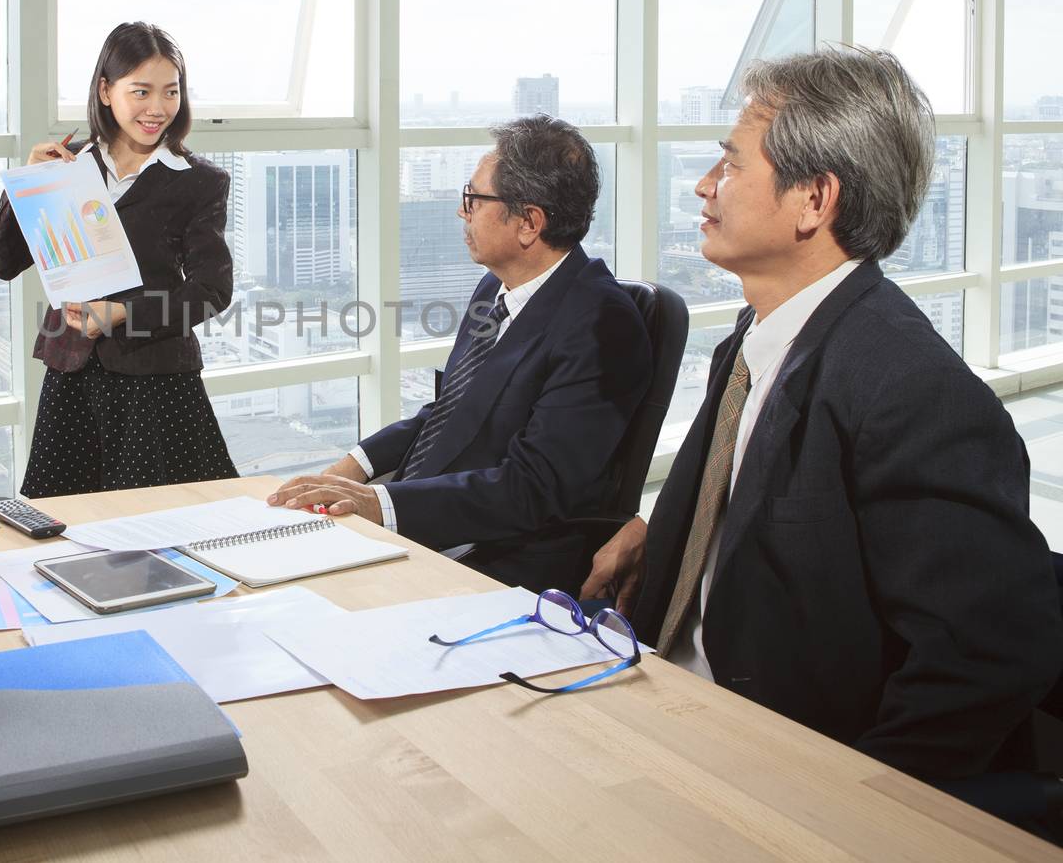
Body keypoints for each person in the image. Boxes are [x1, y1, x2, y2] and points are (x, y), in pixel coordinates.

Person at [581, 47, 1063, 782]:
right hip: (661, 711)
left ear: (815, 200)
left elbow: (991, 654)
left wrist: (853, 813)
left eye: (732, 165)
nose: (704, 188)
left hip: (778, 774)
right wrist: (661, 528)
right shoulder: (753, 341)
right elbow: (779, 502)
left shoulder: (911, 389)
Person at [270, 116, 652, 592]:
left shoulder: (601, 322)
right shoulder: (495, 286)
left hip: (501, 558)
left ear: (529, 223)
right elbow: (451, 410)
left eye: (473, 199)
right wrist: (356, 466)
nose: (461, 212)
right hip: (432, 525)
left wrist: (380, 505)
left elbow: (534, 489)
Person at [0, 21, 237, 497]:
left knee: (157, 531)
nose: (158, 108)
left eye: (171, 92)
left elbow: (210, 291)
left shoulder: (198, 180)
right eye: (141, 91)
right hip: (71, 375)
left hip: (156, 382)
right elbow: (4, 263)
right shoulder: (67, 166)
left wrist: (124, 314)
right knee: (65, 524)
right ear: (106, 91)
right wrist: (26, 184)